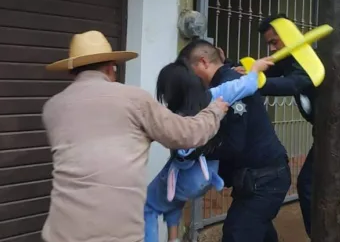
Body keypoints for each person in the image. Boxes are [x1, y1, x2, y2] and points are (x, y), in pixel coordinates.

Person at [40, 30, 230, 242]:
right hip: (117, 234)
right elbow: (187, 134)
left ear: (72, 72)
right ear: (111, 68)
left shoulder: (52, 108)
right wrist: (215, 111)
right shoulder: (134, 100)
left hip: (60, 232)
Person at [252, 14, 340, 242]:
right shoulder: (289, 59)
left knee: (313, 185)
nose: (272, 48)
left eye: (275, 42)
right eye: (269, 43)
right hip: (328, 134)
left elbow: (297, 81)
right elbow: (270, 71)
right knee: (337, 187)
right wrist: (235, 69)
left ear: (289, 36)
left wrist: (258, 83)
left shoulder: (308, 60)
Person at [145, 57, 274, 242]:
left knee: (149, 204)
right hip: (206, 178)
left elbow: (182, 154)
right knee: (171, 200)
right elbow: (246, 85)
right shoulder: (215, 96)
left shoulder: (174, 118)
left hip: (186, 179)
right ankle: (174, 239)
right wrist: (255, 69)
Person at [178, 40, 291, 242]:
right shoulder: (228, 81)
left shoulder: (230, 86)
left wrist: (196, 148)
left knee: (237, 233)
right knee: (257, 231)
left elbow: (233, 144)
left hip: (264, 178)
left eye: (189, 70)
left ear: (203, 62)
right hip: (258, 177)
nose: (189, 79)